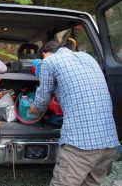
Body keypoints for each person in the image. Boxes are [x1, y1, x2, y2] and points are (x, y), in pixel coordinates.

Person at [29, 41, 119, 186]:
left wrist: (32, 108)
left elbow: (42, 100)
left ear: (44, 55)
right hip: (109, 143)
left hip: (81, 145)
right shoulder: (87, 57)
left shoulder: (48, 62)